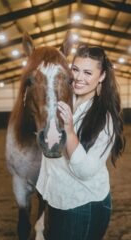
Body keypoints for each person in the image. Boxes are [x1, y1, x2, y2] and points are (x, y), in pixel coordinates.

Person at [36, 44, 125, 240]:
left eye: (87, 72)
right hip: (54, 198)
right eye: (75, 70)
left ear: (101, 76)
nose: (78, 77)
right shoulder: (64, 101)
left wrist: (69, 130)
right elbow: (50, 150)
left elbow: (84, 171)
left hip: (82, 205)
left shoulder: (105, 118)